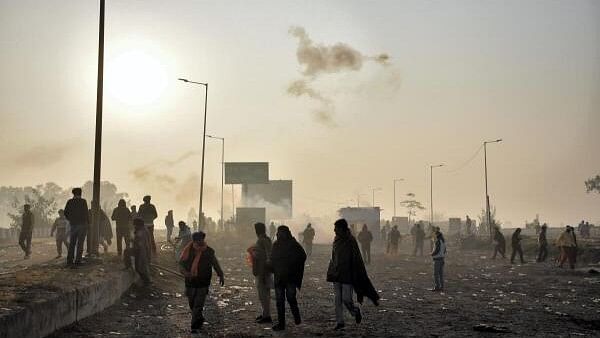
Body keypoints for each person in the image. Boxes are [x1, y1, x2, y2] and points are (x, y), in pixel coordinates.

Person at [327, 219, 379, 331]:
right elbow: (333, 257)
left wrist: (355, 275)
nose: (334, 230)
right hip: (336, 274)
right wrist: (332, 271)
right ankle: (340, 322)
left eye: (336, 228)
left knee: (346, 299)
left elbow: (356, 259)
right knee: (337, 300)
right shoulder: (336, 239)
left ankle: (355, 312)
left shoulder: (351, 241)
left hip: (347, 275)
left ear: (342, 229)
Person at [179, 231, 225, 334]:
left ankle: (194, 325)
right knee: (192, 303)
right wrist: (185, 272)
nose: (200, 242)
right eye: (198, 240)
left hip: (203, 281)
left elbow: (215, 263)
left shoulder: (209, 251)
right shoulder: (188, 251)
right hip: (190, 281)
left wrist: (220, 274)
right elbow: (181, 264)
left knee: (198, 304)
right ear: (194, 241)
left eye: (201, 240)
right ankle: (198, 318)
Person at [271, 225, 306, 331]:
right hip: (279, 278)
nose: (278, 234)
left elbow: (302, 256)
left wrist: (294, 266)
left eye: (281, 232)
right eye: (278, 232)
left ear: (286, 233)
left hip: (290, 277)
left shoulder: (293, 245)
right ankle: (281, 324)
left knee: (291, 298)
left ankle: (296, 316)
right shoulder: (276, 245)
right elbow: (272, 258)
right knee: (280, 302)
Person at [249, 222, 273, 324]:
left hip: (263, 271)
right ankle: (265, 314)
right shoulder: (263, 239)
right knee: (263, 294)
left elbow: (268, 256)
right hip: (261, 270)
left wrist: (254, 253)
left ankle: (267, 316)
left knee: (264, 294)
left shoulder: (263, 240)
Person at [64, 188, 89, 266]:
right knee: (80, 244)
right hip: (82, 225)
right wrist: (88, 223)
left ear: (73, 194)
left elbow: (65, 213)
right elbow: (86, 213)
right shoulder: (83, 201)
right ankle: (78, 260)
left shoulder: (70, 202)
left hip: (73, 225)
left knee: (72, 243)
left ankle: (70, 260)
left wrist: (71, 219)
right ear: (80, 193)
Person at [132, 218, 152, 284]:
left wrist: (133, 240)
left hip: (141, 251)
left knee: (139, 268)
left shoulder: (142, 231)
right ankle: (146, 280)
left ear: (138, 225)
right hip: (142, 250)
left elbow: (139, 242)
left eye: (135, 225)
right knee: (142, 267)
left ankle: (146, 281)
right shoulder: (143, 229)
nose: (134, 226)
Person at [431, 227, 447, 292]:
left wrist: (432, 254)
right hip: (442, 259)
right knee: (441, 274)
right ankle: (442, 287)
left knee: (436, 274)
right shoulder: (443, 241)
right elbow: (445, 251)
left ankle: (437, 286)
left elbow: (437, 250)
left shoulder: (438, 241)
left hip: (437, 259)